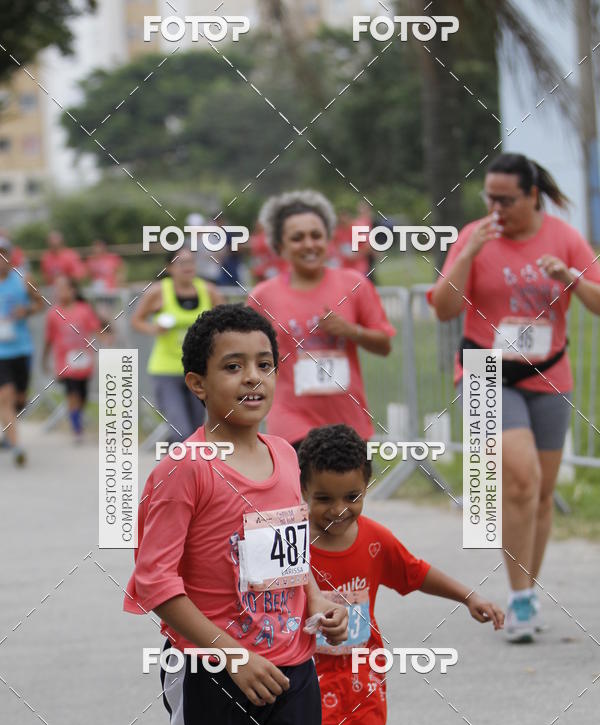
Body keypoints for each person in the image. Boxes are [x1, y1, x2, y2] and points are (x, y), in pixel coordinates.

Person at [124, 304, 348, 725]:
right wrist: (230, 655)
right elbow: (155, 582)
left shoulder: (285, 455)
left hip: (291, 670)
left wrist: (319, 600)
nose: (254, 377)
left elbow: (291, 555)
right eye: (233, 366)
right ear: (196, 382)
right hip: (210, 673)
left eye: (265, 364)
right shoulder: (185, 471)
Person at [298, 424, 504, 725]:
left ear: (368, 484)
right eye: (323, 498)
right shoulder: (290, 546)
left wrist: (468, 596)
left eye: (352, 495)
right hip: (306, 682)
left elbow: (414, 572)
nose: (338, 510)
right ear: (302, 491)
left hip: (362, 683)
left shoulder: (373, 539)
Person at [429, 153, 600, 643]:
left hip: (549, 372)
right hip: (483, 370)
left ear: (532, 196)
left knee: (540, 493)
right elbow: (442, 309)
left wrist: (570, 276)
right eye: (490, 198)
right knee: (518, 477)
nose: (497, 208)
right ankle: (518, 591)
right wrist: (466, 254)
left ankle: (525, 594)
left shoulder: (563, 237)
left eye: (507, 199)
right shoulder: (475, 234)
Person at [250, 190, 395, 448]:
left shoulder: (354, 284)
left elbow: (384, 345)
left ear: (328, 240)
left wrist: (351, 331)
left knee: (346, 489)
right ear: (280, 247)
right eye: (297, 238)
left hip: (348, 421)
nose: (309, 244)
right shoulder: (263, 297)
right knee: (302, 484)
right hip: (290, 418)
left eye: (316, 236)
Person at [130, 247, 223, 443]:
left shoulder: (208, 290)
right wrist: (154, 328)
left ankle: (181, 469)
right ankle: (175, 466)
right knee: (181, 430)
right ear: (169, 267)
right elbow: (136, 321)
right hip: (166, 370)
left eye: (191, 262)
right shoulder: (158, 292)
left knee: (197, 432)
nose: (187, 267)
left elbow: (224, 321)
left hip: (199, 370)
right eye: (182, 263)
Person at [42, 275, 108, 441]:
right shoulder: (53, 314)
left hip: (84, 361)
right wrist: (44, 359)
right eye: (57, 289)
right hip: (64, 362)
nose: (60, 292)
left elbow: (96, 329)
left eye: (64, 288)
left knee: (83, 395)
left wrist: (106, 340)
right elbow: (48, 339)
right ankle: (76, 428)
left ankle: (77, 416)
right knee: (72, 394)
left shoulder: (84, 309)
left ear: (73, 290)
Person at [0, 237, 44, 465]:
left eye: (3, 253)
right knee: (4, 398)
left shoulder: (23, 279)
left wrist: (25, 310)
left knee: (19, 400)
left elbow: (40, 303)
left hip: (21, 348)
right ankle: (17, 446)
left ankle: (9, 429)